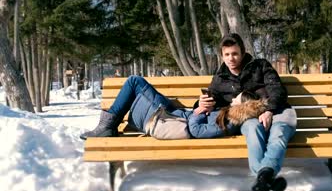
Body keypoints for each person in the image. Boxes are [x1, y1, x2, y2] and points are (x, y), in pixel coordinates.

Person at [199, 33, 297, 191]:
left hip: (278, 111)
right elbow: (212, 100)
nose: (231, 58)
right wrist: (200, 103)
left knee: (278, 134)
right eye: (227, 54)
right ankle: (267, 181)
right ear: (222, 55)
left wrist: (269, 111)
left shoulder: (260, 66)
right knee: (252, 128)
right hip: (249, 118)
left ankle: (263, 179)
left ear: (243, 53)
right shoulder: (220, 78)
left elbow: (277, 90)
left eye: (235, 53)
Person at [79, 76, 264, 140]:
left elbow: (196, 130)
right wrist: (201, 104)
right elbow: (199, 115)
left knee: (134, 82)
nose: (232, 101)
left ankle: (107, 126)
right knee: (135, 82)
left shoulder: (229, 122)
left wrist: (198, 113)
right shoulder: (229, 115)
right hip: (176, 113)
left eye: (236, 100)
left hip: (173, 119)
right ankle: (108, 125)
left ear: (243, 107)